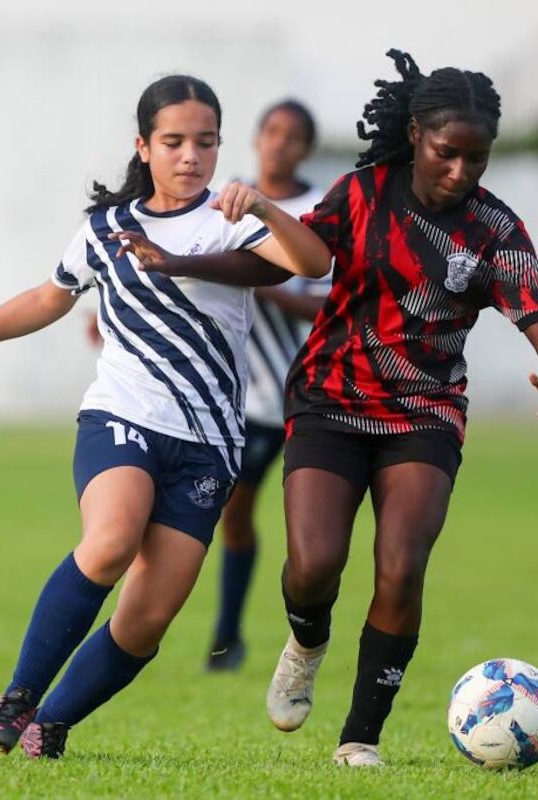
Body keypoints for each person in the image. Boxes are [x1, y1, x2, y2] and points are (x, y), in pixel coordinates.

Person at [121, 49, 538, 767]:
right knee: (313, 565)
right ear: (417, 135)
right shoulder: (364, 192)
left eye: (476, 158)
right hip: (330, 400)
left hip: (425, 414)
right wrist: (177, 263)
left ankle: (360, 733)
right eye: (446, 153)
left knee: (401, 565)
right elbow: (277, 259)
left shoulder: (496, 230)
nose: (460, 171)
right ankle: (306, 641)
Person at [0, 74, 330, 760]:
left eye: (205, 142)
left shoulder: (233, 219)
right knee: (111, 540)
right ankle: (19, 695)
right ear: (143, 146)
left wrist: (262, 203)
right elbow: (48, 298)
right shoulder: (107, 228)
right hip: (123, 415)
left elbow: (313, 260)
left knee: (146, 622)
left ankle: (49, 725)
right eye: (173, 141)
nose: (190, 156)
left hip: (208, 444)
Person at [206, 100, 331, 672]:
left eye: (292, 136)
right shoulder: (228, 199)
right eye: (271, 131)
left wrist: (263, 282)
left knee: (295, 522)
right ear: (256, 139)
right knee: (234, 512)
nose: (279, 143)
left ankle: (280, 638)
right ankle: (227, 635)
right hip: (236, 392)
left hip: (298, 391)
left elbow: (332, 301)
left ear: (305, 148)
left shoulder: (317, 208)